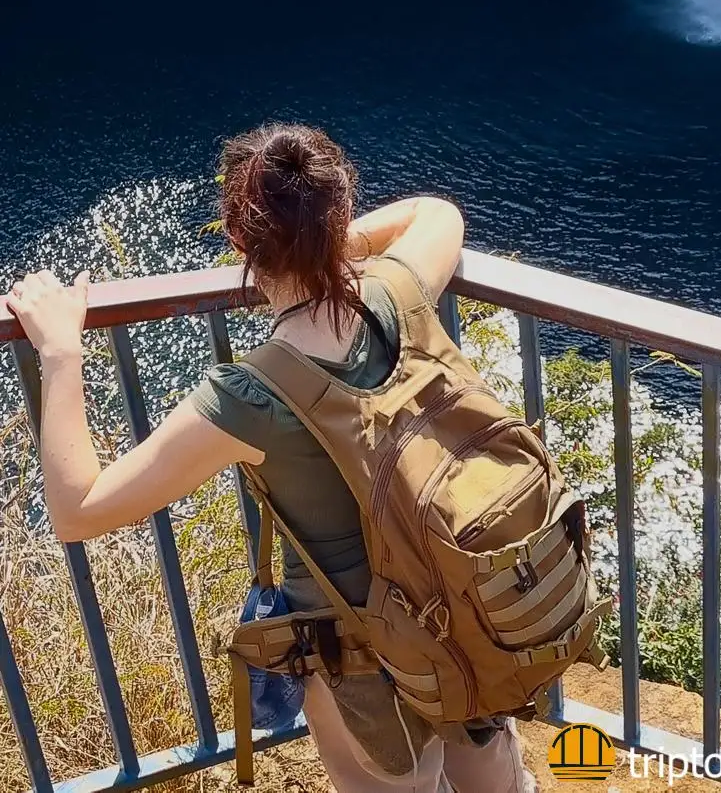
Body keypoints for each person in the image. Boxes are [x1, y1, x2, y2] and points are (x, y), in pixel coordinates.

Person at [5, 122, 538, 793]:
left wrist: (60, 353)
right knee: (496, 776)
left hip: (364, 662)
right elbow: (436, 213)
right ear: (338, 214)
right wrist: (330, 248)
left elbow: (77, 510)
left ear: (240, 243)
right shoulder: (396, 295)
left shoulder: (253, 395)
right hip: (465, 606)